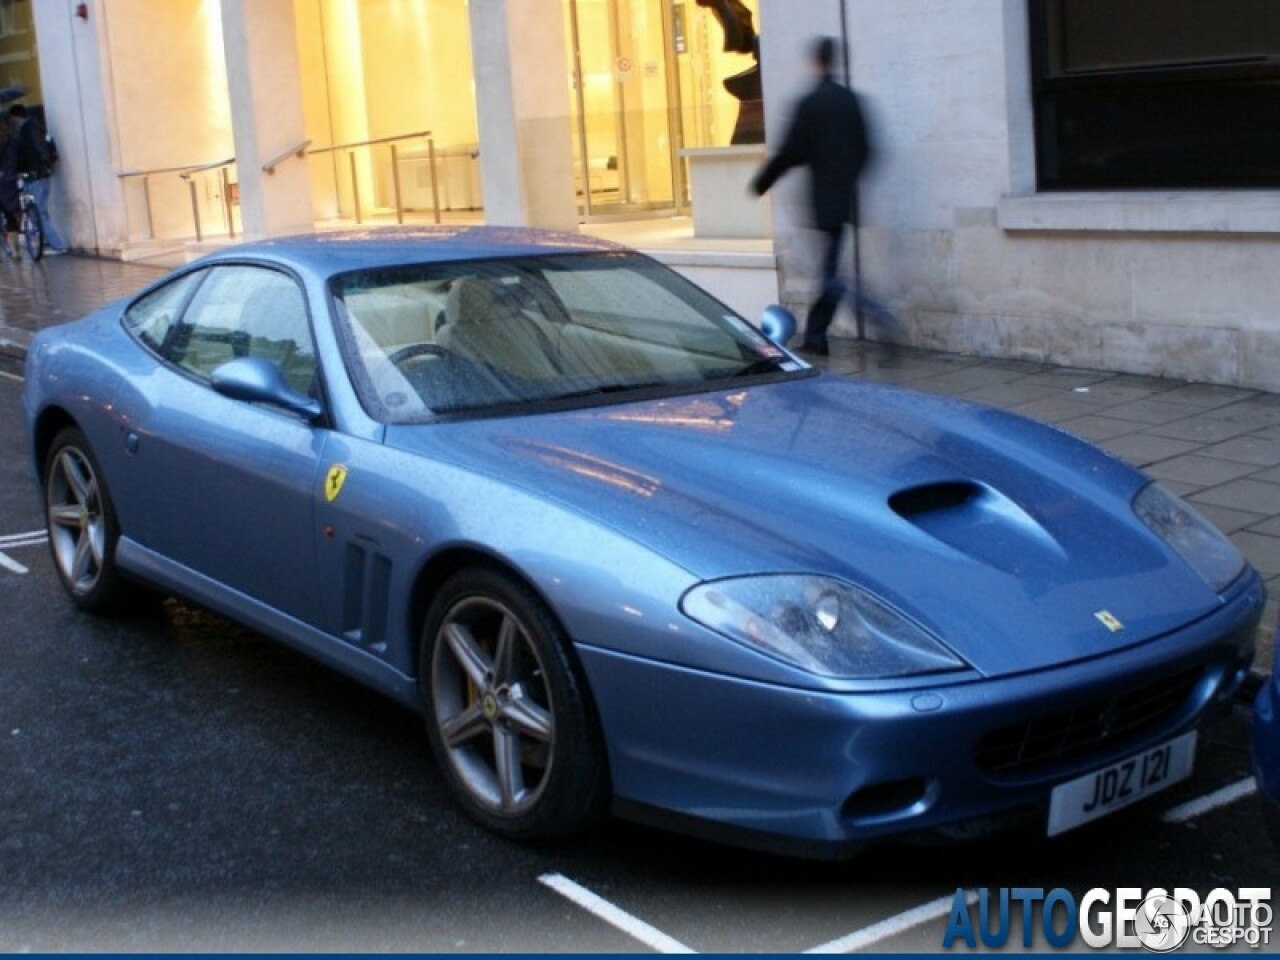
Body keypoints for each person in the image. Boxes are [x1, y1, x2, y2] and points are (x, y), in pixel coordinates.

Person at [751, 35, 893, 357]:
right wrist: (847, 178)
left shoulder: (812, 103)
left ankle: (875, 313)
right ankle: (816, 337)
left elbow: (790, 151)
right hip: (843, 200)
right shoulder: (849, 100)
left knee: (830, 278)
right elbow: (867, 149)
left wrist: (762, 181)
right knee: (828, 272)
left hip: (822, 202)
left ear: (817, 61)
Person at [8, 104, 67, 255]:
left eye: (12, 119)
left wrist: (43, 166)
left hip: (37, 176)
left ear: (16, 116)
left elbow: (38, 149)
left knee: (39, 213)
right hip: (38, 174)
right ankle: (46, 243)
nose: (12, 122)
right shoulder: (32, 127)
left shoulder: (29, 128)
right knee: (39, 213)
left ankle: (59, 246)